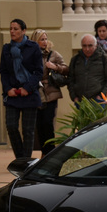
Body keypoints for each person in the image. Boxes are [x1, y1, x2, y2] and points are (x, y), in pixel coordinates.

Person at [0, 18, 43, 159]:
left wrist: (27, 88)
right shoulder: (6, 49)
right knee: (11, 126)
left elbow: (38, 72)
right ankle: (20, 159)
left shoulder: (33, 47)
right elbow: (3, 71)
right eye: (11, 28)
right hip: (12, 94)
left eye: (16, 29)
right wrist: (7, 89)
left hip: (29, 94)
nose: (12, 31)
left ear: (23, 31)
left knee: (28, 130)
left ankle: (26, 160)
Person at [29, 29, 68, 157]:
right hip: (36, 93)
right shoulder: (30, 55)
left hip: (50, 93)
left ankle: (50, 153)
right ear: (35, 41)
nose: (45, 42)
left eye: (46, 39)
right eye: (42, 39)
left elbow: (66, 69)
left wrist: (55, 67)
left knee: (48, 123)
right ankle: (44, 153)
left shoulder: (53, 54)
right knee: (39, 125)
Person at [67, 34, 107, 106]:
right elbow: (70, 79)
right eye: (84, 46)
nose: (87, 49)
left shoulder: (103, 59)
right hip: (80, 101)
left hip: (98, 101)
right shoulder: (76, 59)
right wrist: (74, 97)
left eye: (90, 46)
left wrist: (101, 96)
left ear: (96, 45)